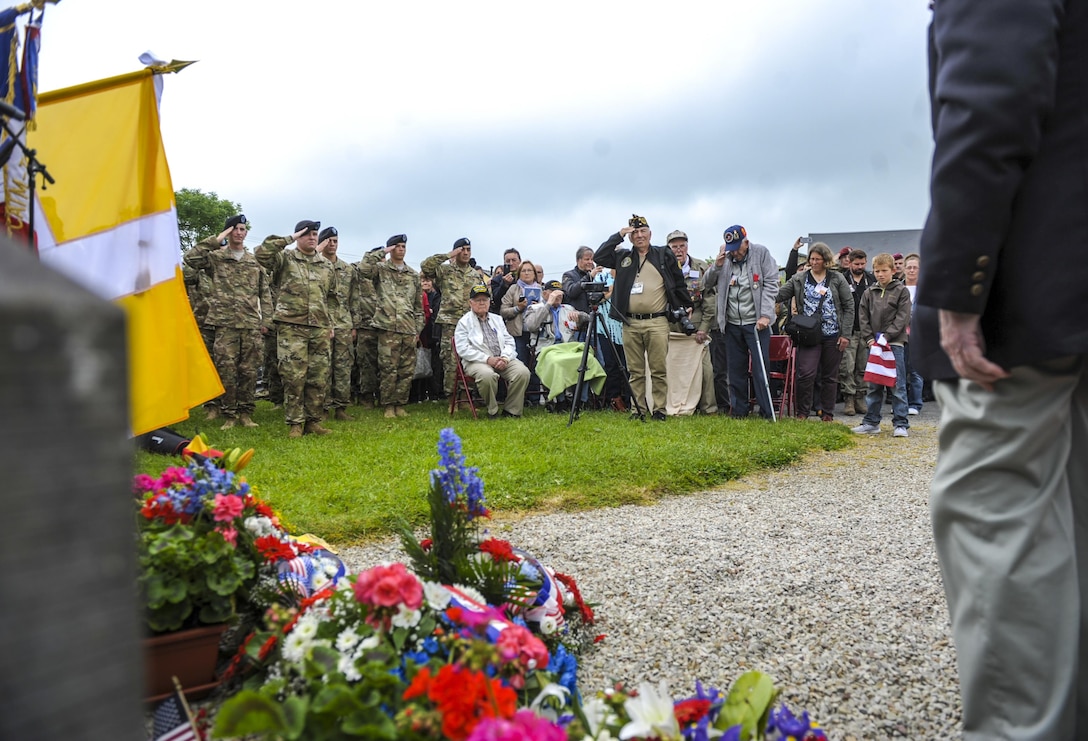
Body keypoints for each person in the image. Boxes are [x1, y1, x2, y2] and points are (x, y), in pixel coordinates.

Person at [916, 3, 1088, 737]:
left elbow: (990, 96)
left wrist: (958, 284)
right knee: (1072, 517)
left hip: (1031, 292)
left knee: (996, 505)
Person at [594, 215, 691, 421]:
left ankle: (659, 410)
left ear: (650, 233)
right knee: (635, 371)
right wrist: (619, 235)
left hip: (657, 321)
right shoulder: (623, 258)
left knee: (658, 369)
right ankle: (638, 409)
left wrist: (685, 305)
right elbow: (600, 256)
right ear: (630, 237)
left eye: (643, 231)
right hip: (630, 322)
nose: (639, 236)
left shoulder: (663, 254)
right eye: (634, 232)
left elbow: (677, 281)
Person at [184, 214, 272, 430]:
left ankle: (246, 413)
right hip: (224, 324)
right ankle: (229, 414)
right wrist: (218, 237)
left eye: (242, 229)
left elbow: (265, 293)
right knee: (227, 370)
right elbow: (191, 258)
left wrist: (267, 321)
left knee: (249, 371)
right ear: (228, 232)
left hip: (250, 324)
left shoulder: (254, 261)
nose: (239, 233)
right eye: (235, 229)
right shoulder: (216, 258)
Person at [255, 220, 336, 437]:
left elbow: (331, 297)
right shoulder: (286, 258)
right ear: (298, 236)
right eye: (306, 234)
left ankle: (313, 421)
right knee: (293, 376)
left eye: (314, 234)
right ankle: (295, 423)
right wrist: (289, 238)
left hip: (318, 327)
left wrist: (330, 323)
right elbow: (262, 254)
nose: (312, 237)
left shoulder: (326, 265)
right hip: (292, 326)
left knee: (318, 377)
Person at [704, 224, 778, 419]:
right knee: (735, 370)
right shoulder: (725, 258)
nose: (735, 252)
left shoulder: (761, 253)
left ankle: (766, 412)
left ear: (746, 241)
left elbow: (771, 284)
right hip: (732, 324)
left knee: (760, 370)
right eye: (731, 248)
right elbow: (705, 284)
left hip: (756, 323)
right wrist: (717, 265)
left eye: (738, 247)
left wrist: (765, 315)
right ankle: (739, 411)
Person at [776, 242, 852, 422]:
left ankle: (827, 413)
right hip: (809, 334)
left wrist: (845, 334)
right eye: (812, 259)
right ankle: (802, 412)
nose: (814, 262)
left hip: (832, 333)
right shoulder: (799, 279)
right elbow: (779, 294)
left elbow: (849, 306)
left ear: (826, 260)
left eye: (818, 259)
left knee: (830, 376)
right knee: (806, 373)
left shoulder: (837, 279)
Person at [358, 234, 424, 418]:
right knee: (388, 368)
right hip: (387, 327)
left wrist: (417, 329)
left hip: (408, 328)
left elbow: (418, 306)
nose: (401, 249)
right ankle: (388, 405)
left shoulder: (412, 274)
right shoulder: (380, 269)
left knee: (406, 369)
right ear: (390, 249)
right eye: (397, 246)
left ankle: (400, 403)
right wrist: (383, 251)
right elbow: (363, 269)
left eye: (403, 246)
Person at [850, 253, 911, 437]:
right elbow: (863, 317)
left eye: (884, 270)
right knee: (874, 384)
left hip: (895, 344)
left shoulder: (902, 291)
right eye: (877, 271)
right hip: (874, 345)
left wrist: (887, 336)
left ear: (892, 270)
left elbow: (903, 317)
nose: (880, 274)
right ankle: (871, 422)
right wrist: (869, 338)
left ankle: (900, 423)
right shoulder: (869, 293)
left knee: (897, 384)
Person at [453, 284, 530, 419]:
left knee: (522, 372)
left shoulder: (498, 319)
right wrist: (488, 359)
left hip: (502, 359)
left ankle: (511, 411)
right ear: (470, 303)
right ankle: (492, 411)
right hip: (477, 361)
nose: (482, 302)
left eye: (485, 299)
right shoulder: (464, 322)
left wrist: (505, 358)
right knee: (487, 375)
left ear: (489, 302)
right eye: (478, 300)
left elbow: (509, 341)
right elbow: (463, 349)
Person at [421, 238, 481, 399]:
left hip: (470, 323)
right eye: (463, 250)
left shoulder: (475, 275)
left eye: (468, 249)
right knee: (450, 359)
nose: (466, 253)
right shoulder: (445, 270)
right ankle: (452, 397)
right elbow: (426, 266)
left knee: (469, 358)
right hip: (450, 323)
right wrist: (448, 255)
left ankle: (465, 396)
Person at [668, 229, 717, 415]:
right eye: (674, 247)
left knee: (705, 370)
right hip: (671, 323)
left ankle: (709, 408)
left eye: (682, 246)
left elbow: (709, 301)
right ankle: (674, 405)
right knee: (673, 368)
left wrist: (704, 328)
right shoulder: (662, 268)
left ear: (687, 246)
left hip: (696, 321)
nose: (678, 250)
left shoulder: (702, 267)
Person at [319, 227, 356, 421]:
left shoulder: (347, 269)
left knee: (343, 367)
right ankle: (323, 408)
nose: (332, 245)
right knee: (323, 366)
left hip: (343, 323)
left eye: (335, 241)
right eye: (329, 241)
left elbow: (353, 299)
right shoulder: (316, 265)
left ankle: (341, 408)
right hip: (322, 322)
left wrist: (354, 325)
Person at [839, 249, 877, 415]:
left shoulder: (871, 280)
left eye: (862, 264)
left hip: (867, 330)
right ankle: (849, 398)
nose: (860, 267)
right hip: (849, 329)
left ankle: (860, 397)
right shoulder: (842, 278)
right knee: (847, 366)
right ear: (850, 262)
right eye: (856, 264)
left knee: (863, 366)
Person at [351, 247, 382, 409]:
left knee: (384, 365)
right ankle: (365, 397)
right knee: (365, 364)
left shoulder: (386, 274)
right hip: (365, 325)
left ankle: (383, 397)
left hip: (384, 326)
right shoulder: (358, 271)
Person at [901, 253, 924, 415]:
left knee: (916, 371)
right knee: (900, 370)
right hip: (899, 335)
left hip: (919, 335)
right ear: (903, 269)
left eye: (915, 267)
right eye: (909, 267)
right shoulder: (898, 288)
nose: (911, 270)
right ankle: (901, 403)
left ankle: (915, 404)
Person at [490, 248, 521, 313]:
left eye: (514, 260)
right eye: (508, 261)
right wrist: (504, 285)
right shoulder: (496, 280)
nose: (511, 263)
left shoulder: (524, 278)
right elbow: (496, 300)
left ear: (519, 261)